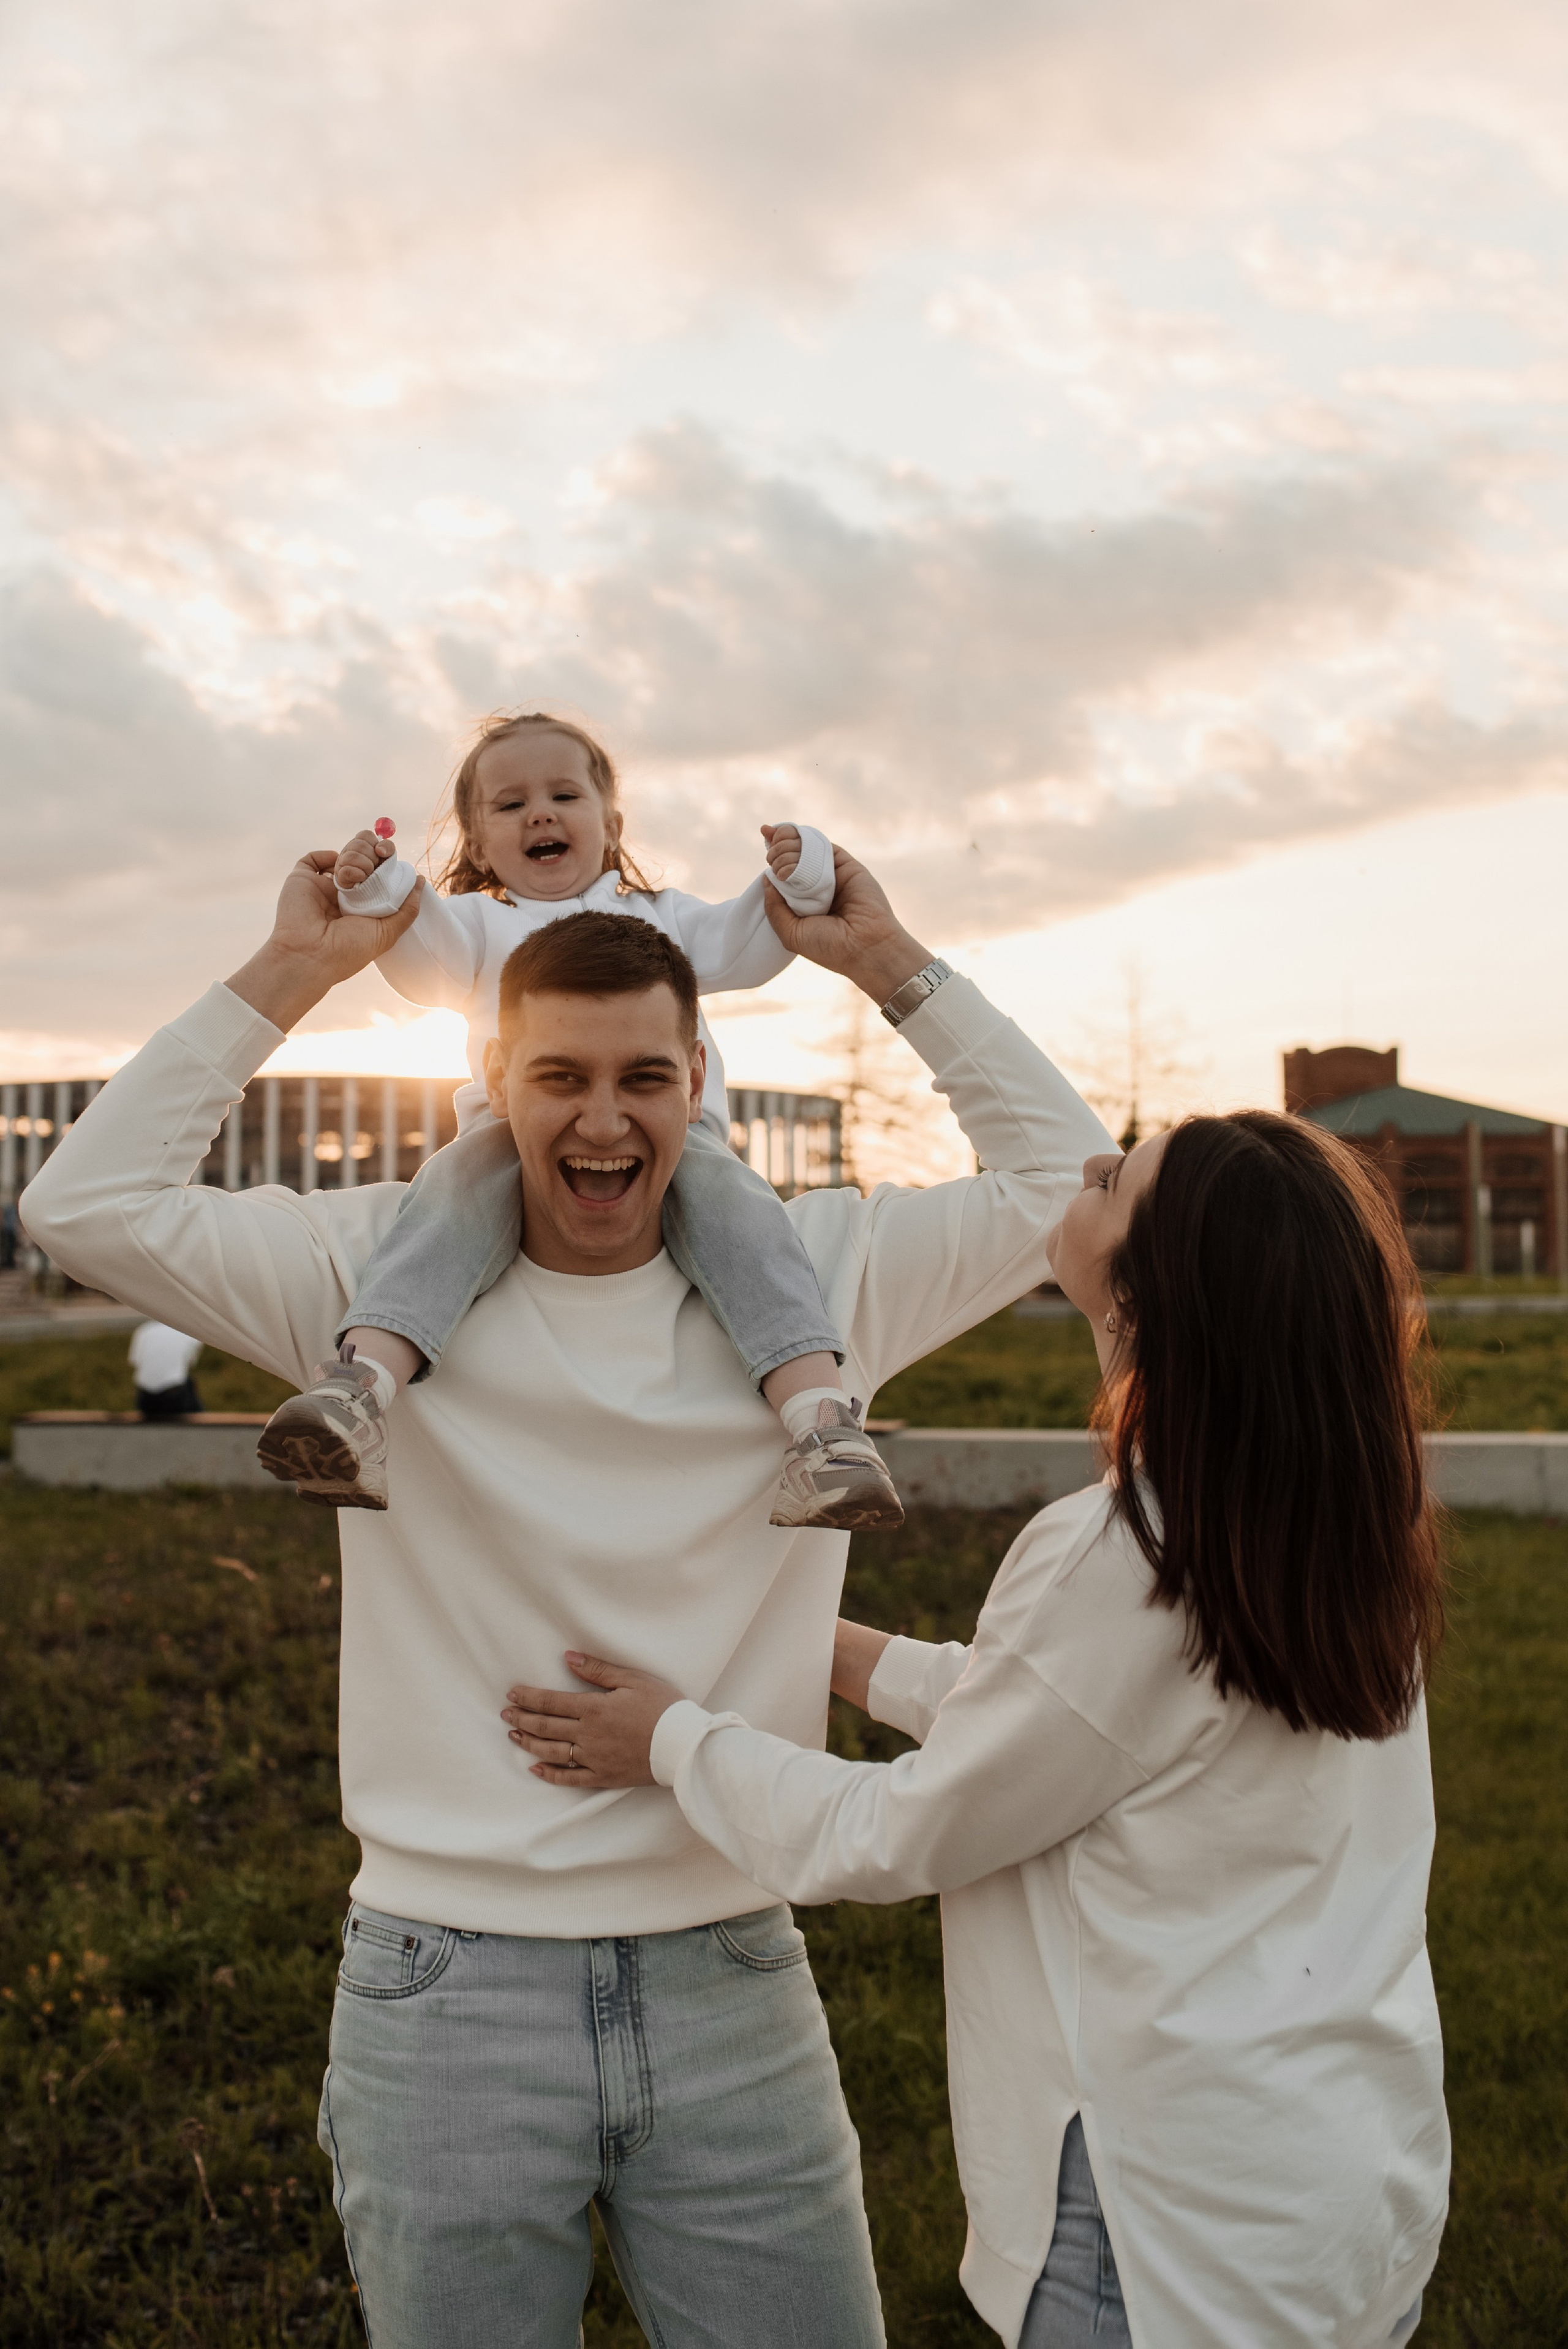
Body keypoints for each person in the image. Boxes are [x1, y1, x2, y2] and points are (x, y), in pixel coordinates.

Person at [20, 837, 1112, 2349]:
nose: (602, 1117)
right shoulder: (368, 1278)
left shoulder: (823, 1278)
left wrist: (887, 963)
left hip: (732, 1967)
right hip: (443, 1989)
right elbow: (79, 1205)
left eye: (644, 1080)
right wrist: (297, 969)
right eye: (560, 1079)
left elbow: (1074, 1182)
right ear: (494, 1087)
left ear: (698, 1086)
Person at [504, 1110, 1451, 2347]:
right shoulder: (1321, 1527)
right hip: (1340, 2184)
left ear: (1156, 1284)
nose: (1087, 1168)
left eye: (1119, 1181)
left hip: (1163, 2230)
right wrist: (819, 1654)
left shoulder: (1123, 1552)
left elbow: (908, 1831)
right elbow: (1080, 1729)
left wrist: (672, 1744)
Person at [258, 707, 902, 1533]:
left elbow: (752, 937)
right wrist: (380, 886)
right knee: (446, 1203)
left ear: (611, 824)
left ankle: (824, 1427)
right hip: (510, 1131)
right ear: (478, 843)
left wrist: (801, 873)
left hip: (681, 1136)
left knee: (746, 1220)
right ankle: (357, 1389)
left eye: (565, 793)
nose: (540, 812)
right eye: (509, 803)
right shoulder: (479, 926)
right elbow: (418, 955)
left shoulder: (665, 916)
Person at [129, 1319, 204, 1417]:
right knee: (190, 1386)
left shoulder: (145, 1330)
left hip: (145, 1397)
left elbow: (134, 1361)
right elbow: (191, 1364)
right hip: (173, 1395)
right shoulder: (190, 1333)